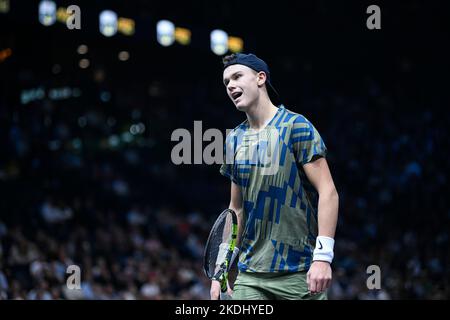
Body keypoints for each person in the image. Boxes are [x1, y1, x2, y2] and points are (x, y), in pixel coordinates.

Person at [210, 53, 339, 300]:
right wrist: (221, 269)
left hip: (298, 274)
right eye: (226, 82)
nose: (230, 86)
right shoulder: (234, 139)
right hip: (250, 276)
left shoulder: (295, 126)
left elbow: (328, 191)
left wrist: (323, 257)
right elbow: (235, 210)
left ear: (260, 78)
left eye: (237, 77)